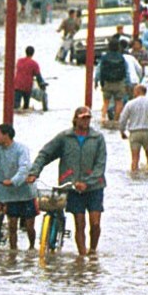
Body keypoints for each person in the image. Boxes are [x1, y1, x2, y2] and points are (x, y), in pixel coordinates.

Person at [26, 106, 107, 256]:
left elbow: (100, 165)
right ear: (75, 119)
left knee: (95, 223)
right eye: (83, 118)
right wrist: (34, 172)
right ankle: (82, 257)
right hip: (72, 187)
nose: (86, 121)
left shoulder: (98, 138)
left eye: (88, 118)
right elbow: (45, 154)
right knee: (79, 223)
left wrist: (87, 182)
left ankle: (93, 251)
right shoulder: (64, 137)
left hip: (95, 187)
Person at [119, 84, 148, 173]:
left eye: (134, 91)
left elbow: (123, 119)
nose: (133, 93)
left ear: (138, 92)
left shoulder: (130, 104)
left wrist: (122, 132)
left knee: (135, 159)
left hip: (134, 133)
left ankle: (134, 176)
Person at [94, 39, 130, 124]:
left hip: (107, 82)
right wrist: (127, 83)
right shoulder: (122, 58)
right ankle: (116, 120)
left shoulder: (104, 57)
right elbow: (126, 71)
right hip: (119, 82)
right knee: (119, 101)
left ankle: (103, 118)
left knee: (106, 102)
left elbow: (99, 70)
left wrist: (96, 81)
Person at [13, 46, 42, 111]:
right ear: (33, 53)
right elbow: (38, 76)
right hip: (27, 86)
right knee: (26, 105)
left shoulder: (19, 61)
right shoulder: (34, 64)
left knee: (16, 106)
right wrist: (42, 85)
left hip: (17, 85)